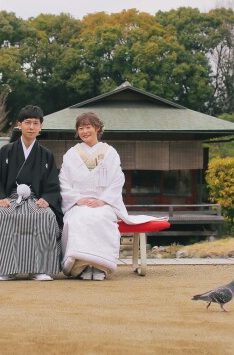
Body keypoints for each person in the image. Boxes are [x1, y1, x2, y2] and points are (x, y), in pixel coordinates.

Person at [59, 111, 164, 281]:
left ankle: (100, 266)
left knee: (101, 218)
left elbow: (117, 180)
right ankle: (82, 266)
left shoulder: (110, 152)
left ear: (97, 128)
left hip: (103, 202)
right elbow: (63, 180)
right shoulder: (71, 153)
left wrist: (103, 200)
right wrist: (77, 199)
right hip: (79, 202)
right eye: (81, 128)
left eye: (88, 127)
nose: (85, 131)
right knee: (77, 219)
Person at [0, 105, 62, 281]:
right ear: (19, 125)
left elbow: (53, 182)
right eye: (27, 123)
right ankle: (5, 269)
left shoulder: (46, 154)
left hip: (35, 198)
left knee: (46, 216)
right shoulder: (6, 151)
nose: (31, 127)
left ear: (41, 127)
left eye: (35, 123)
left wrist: (47, 199)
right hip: (10, 198)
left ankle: (39, 269)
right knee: (1, 215)